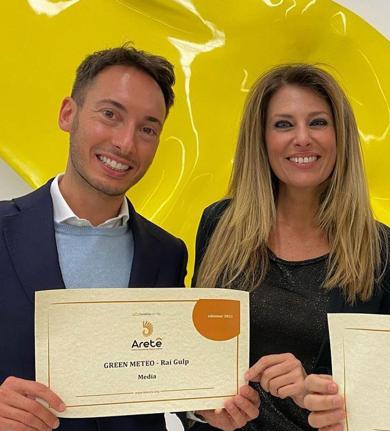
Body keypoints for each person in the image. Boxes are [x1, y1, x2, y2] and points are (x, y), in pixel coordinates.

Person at [0, 46, 257, 431]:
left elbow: (163, 377)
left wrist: (204, 407)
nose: (125, 143)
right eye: (110, 114)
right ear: (68, 113)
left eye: (147, 129)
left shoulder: (167, 254)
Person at [191, 64, 390, 431]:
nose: (302, 138)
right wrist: (201, 410)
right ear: (261, 139)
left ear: (340, 136)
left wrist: (315, 393)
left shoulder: (381, 252)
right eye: (283, 124)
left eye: (318, 122)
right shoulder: (219, 224)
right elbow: (195, 358)